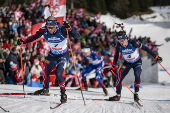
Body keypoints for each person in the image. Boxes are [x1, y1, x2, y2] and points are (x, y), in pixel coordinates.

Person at [17, 16, 80, 103]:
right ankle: (45, 89)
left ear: (55, 26)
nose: (49, 29)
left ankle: (63, 93)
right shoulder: (44, 29)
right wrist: (24, 41)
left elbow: (78, 37)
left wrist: (69, 29)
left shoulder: (62, 29)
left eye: (51, 27)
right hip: (52, 55)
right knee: (46, 70)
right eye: (48, 27)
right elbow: (34, 37)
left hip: (63, 55)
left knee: (58, 73)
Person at [109, 31, 162, 102]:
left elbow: (145, 48)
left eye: (122, 40)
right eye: (119, 40)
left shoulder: (133, 43)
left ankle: (136, 94)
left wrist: (154, 55)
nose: (121, 42)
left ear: (126, 39)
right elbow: (116, 55)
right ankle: (118, 95)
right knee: (119, 78)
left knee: (137, 75)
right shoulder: (118, 45)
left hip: (137, 62)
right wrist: (113, 64)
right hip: (127, 63)